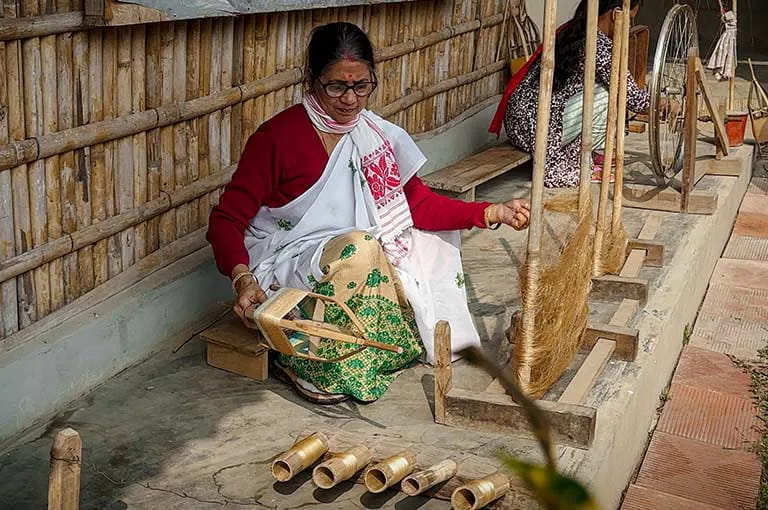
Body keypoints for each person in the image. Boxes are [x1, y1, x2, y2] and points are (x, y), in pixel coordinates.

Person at [207, 22, 531, 405]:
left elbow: (418, 207)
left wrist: (490, 211)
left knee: (419, 247)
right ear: (311, 80)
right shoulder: (277, 138)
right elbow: (226, 219)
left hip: (351, 259)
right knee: (360, 248)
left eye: (362, 86)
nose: (350, 99)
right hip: (286, 259)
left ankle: (363, 350)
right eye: (337, 87)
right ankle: (306, 361)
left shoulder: (377, 136)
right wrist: (243, 279)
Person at [489, 0, 649, 187]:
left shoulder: (572, 30)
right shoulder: (599, 45)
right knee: (610, 95)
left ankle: (580, 154)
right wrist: (661, 102)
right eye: (629, 19)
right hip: (537, 130)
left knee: (600, 88)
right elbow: (634, 100)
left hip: (517, 124)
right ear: (616, 15)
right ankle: (575, 162)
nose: (629, 26)